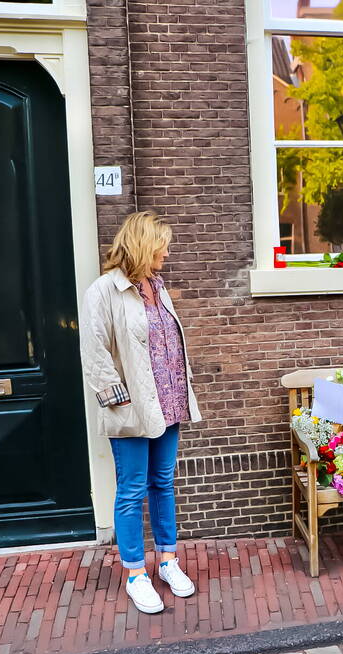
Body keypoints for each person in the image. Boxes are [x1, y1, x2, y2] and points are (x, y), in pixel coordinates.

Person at [80, 211, 203, 614]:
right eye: (162, 245)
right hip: (131, 407)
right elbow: (94, 353)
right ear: (142, 246)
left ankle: (168, 562)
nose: (167, 252)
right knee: (132, 490)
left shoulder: (157, 285)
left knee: (163, 483)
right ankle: (135, 574)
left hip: (168, 402)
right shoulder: (104, 291)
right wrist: (118, 400)